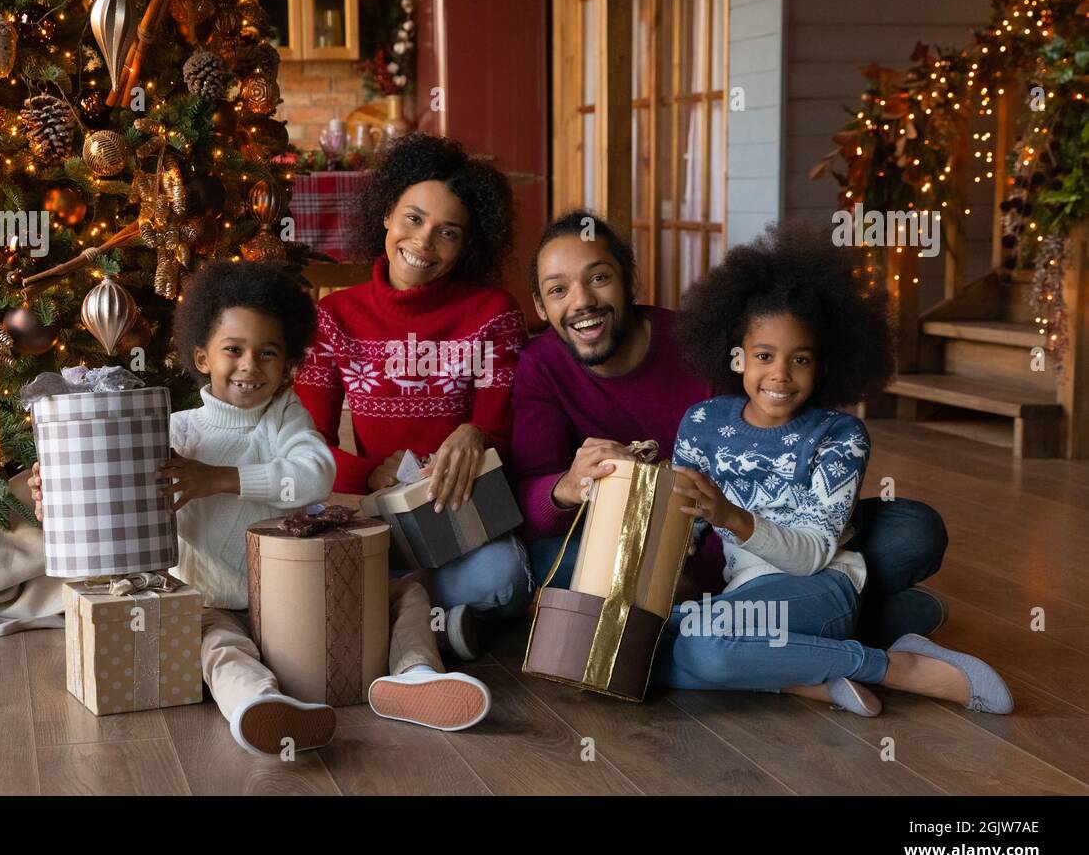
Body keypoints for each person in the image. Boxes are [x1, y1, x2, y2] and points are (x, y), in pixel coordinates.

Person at [31, 261, 492, 756]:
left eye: (267, 353)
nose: (250, 365)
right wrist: (57, 492)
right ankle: (258, 704)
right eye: (234, 350)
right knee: (219, 648)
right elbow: (110, 491)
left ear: (289, 364)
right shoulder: (175, 431)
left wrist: (220, 480)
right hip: (209, 600)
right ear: (203, 356)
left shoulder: (284, 416)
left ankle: (415, 675)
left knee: (404, 595)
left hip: (293, 594)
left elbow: (316, 474)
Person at [512, 210, 950, 649]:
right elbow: (532, 505)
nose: (582, 300)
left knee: (914, 530)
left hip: (752, 529)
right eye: (558, 289)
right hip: (641, 548)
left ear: (629, 280)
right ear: (540, 305)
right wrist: (567, 486)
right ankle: (837, 615)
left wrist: (723, 521)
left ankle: (732, 619)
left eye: (599, 277)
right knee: (552, 559)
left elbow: (784, 431)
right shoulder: (540, 365)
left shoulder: (697, 341)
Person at [651, 221, 1011, 715]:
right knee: (642, 650)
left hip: (823, 587)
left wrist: (731, 516)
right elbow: (683, 532)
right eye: (763, 356)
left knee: (700, 646)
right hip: (746, 595)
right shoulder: (702, 422)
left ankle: (891, 666)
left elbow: (813, 554)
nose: (780, 374)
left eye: (800, 359)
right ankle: (806, 679)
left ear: (822, 367)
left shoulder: (840, 437)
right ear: (736, 359)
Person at [295, 133, 533, 659]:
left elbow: (506, 433)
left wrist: (476, 434)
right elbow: (305, 444)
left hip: (463, 517)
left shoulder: (494, 313)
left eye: (448, 233)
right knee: (310, 575)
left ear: (468, 245)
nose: (423, 243)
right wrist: (368, 473)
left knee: (505, 579)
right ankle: (433, 622)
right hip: (374, 515)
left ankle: (399, 615)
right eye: (414, 219)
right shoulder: (335, 318)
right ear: (386, 215)